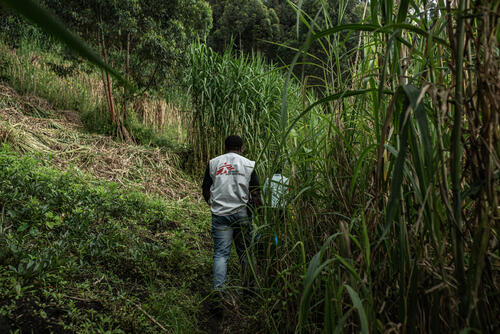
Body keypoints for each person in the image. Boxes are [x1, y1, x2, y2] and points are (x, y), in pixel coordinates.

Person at [201, 135, 262, 291]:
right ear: (241, 148)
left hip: (220, 215)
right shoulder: (248, 165)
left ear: (225, 147)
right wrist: (258, 211)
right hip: (242, 213)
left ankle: (218, 290)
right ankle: (249, 288)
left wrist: (212, 204)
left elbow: (206, 189)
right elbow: (255, 194)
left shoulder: (214, 163)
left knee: (221, 254)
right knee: (245, 253)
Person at [263, 167, 289, 245]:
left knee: (273, 227)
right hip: (283, 207)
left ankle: (275, 243)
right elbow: (287, 194)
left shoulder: (269, 179)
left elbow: (263, 193)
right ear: (281, 171)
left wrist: (265, 204)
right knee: (284, 226)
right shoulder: (286, 179)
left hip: (272, 207)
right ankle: (284, 243)